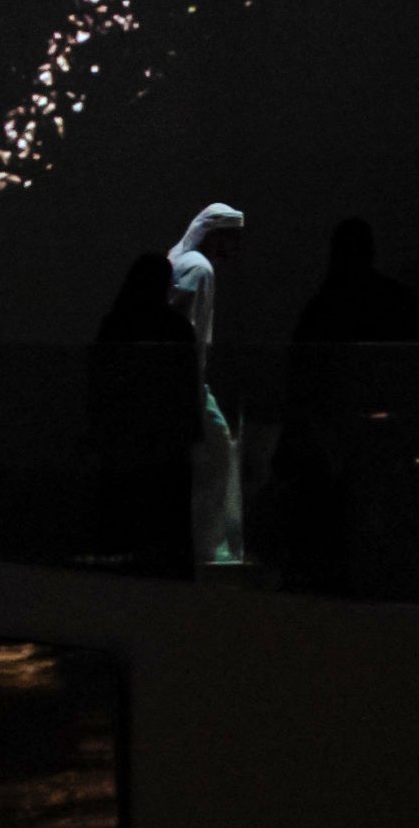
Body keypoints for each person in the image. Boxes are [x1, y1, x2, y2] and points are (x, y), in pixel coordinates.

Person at [276, 218, 419, 593]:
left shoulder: (324, 304)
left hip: (335, 432)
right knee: (380, 517)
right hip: (385, 431)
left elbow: (303, 375)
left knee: (342, 520)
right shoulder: (393, 299)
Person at [84, 251, 199, 574]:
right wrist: (189, 433)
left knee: (122, 530)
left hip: (123, 445)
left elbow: (101, 383)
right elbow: (185, 385)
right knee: (163, 530)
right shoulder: (175, 328)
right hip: (165, 447)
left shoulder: (116, 324)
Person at [169, 203, 252, 568]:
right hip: (186, 382)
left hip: (184, 381)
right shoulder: (198, 268)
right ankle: (208, 546)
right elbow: (181, 323)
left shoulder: (183, 261)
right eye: (233, 239)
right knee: (218, 453)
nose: (236, 248)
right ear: (217, 236)